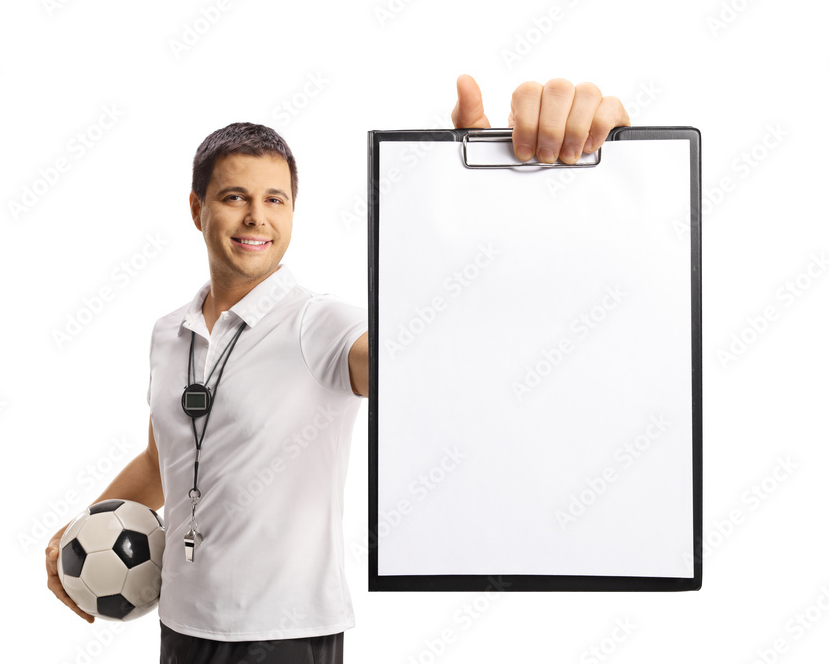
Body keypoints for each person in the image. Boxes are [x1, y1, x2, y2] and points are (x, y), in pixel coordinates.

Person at [45, 74, 631, 663]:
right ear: (198, 209)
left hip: (287, 636)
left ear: (293, 211)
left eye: (274, 199)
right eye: (234, 197)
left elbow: (425, 364)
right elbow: (161, 459)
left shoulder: (317, 325)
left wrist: (495, 209)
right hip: (181, 624)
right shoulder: (169, 333)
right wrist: (83, 532)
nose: (257, 217)